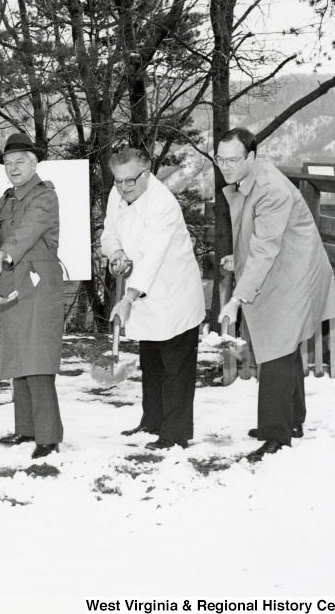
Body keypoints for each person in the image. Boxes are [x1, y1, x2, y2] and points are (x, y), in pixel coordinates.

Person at [216, 128, 335, 462]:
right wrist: (238, 260)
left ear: (251, 157)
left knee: (275, 350)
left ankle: (276, 435)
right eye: (220, 159)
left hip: (295, 276)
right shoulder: (250, 179)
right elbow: (256, 238)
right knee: (284, 347)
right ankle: (292, 421)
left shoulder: (270, 189)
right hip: (280, 271)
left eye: (232, 159)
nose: (225, 166)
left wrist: (236, 299)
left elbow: (265, 250)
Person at [100, 148, 205, 450]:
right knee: (153, 363)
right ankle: (152, 421)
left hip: (173, 295)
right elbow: (109, 233)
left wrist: (128, 299)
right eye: (117, 181)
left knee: (176, 368)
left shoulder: (162, 204)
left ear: (146, 175)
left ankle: (175, 434)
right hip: (144, 295)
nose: (122, 188)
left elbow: (152, 258)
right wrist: (115, 253)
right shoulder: (117, 193)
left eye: (130, 181)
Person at [0, 132, 64, 459]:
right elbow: (1, 239)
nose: (13, 168)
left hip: (38, 283)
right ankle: (26, 429)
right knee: (18, 356)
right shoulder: (6, 198)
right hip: (13, 281)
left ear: (34, 163)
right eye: (8, 163)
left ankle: (49, 435)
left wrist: (2, 254)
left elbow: (27, 231)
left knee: (38, 357)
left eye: (20, 162)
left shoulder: (45, 196)